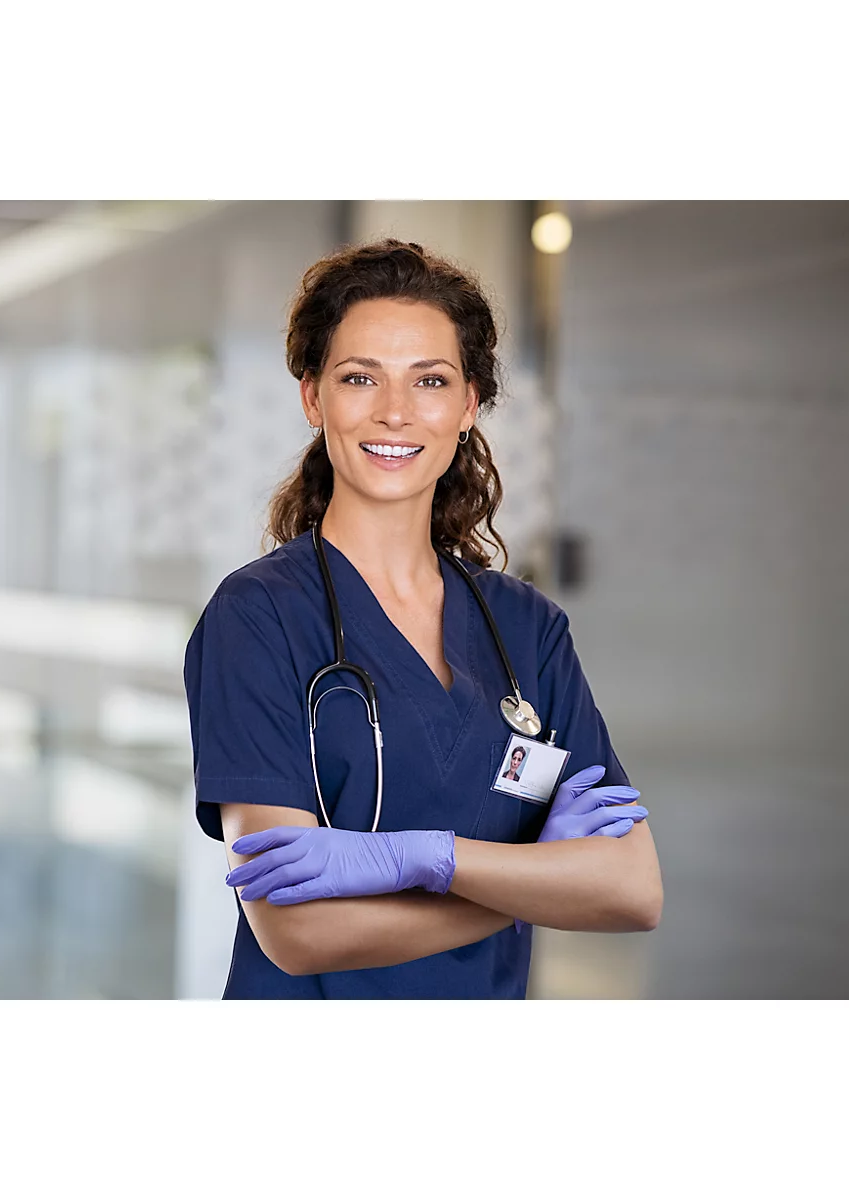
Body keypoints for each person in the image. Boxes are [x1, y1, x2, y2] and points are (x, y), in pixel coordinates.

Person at [183, 238, 662, 1000]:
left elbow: (632, 890)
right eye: (358, 377)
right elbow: (297, 933)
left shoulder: (526, 628)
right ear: (314, 398)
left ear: (469, 404)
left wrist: (426, 858)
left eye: (430, 380)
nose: (396, 412)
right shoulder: (259, 617)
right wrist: (522, 880)